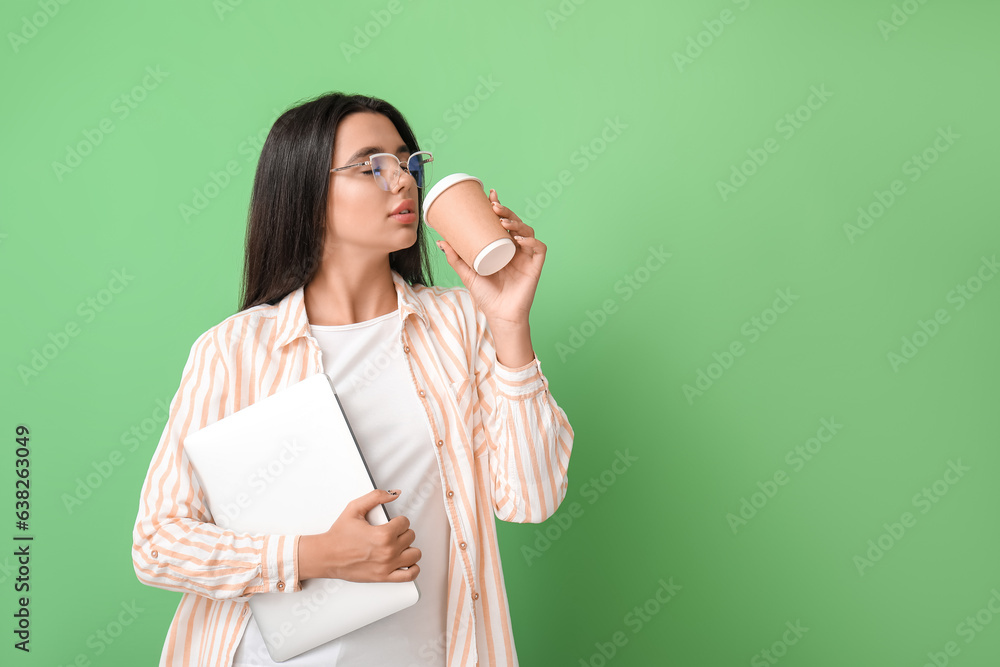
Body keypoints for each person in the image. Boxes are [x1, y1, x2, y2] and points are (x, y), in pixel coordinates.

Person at [131, 92, 574, 667]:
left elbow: (531, 498)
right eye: (372, 167)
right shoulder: (234, 350)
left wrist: (510, 323)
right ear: (306, 194)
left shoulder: (463, 324)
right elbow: (158, 543)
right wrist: (314, 555)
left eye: (409, 162)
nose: (405, 182)